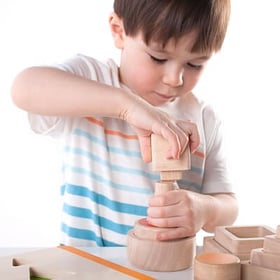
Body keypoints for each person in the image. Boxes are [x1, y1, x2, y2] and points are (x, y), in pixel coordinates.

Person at [11, 0, 238, 247]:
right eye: (158, 58)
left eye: (195, 64)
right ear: (119, 31)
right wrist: (127, 106)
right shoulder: (90, 81)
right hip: (86, 268)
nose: (175, 79)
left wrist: (205, 210)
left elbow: (228, 205)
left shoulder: (203, 118)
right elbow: (23, 88)